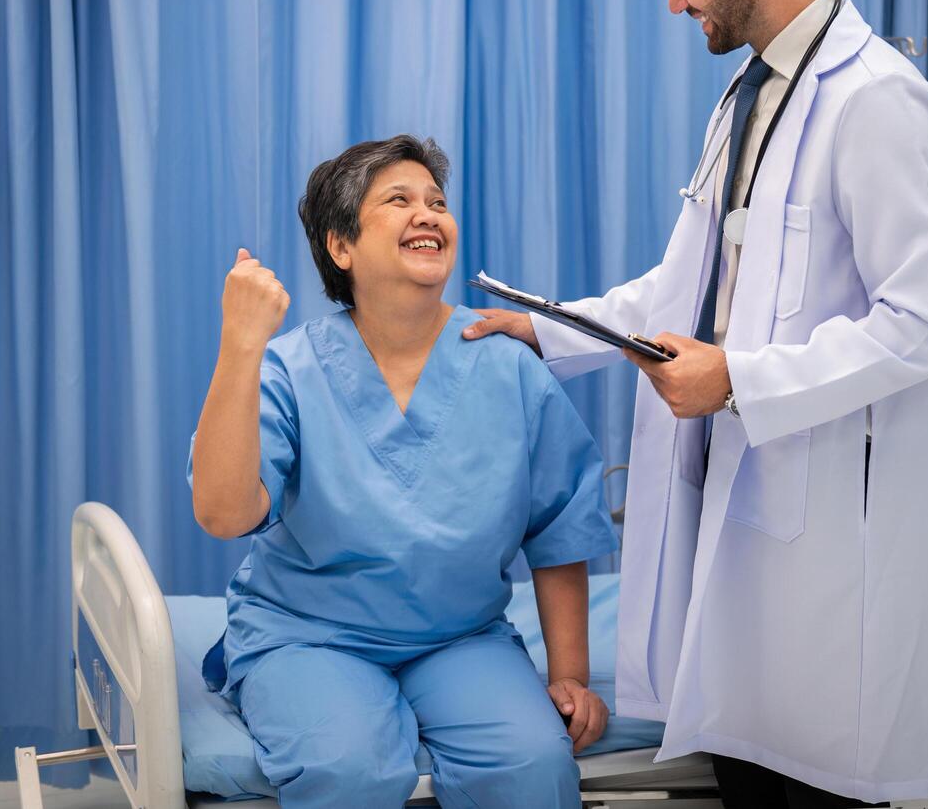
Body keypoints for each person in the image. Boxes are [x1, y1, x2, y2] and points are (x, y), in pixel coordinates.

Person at [464, 0, 928, 807]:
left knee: (811, 778)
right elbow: (690, 285)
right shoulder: (749, 95)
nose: (673, 2)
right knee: (748, 762)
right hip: (744, 504)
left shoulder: (876, 105)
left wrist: (740, 378)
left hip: (829, 539)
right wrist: (548, 326)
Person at [189, 135, 618, 808]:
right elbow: (222, 513)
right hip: (309, 637)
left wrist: (569, 675)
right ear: (341, 246)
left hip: (459, 638)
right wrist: (241, 346)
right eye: (399, 200)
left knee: (532, 765)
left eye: (437, 202)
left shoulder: (505, 365)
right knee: (348, 770)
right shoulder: (287, 370)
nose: (428, 214)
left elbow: (560, 524)